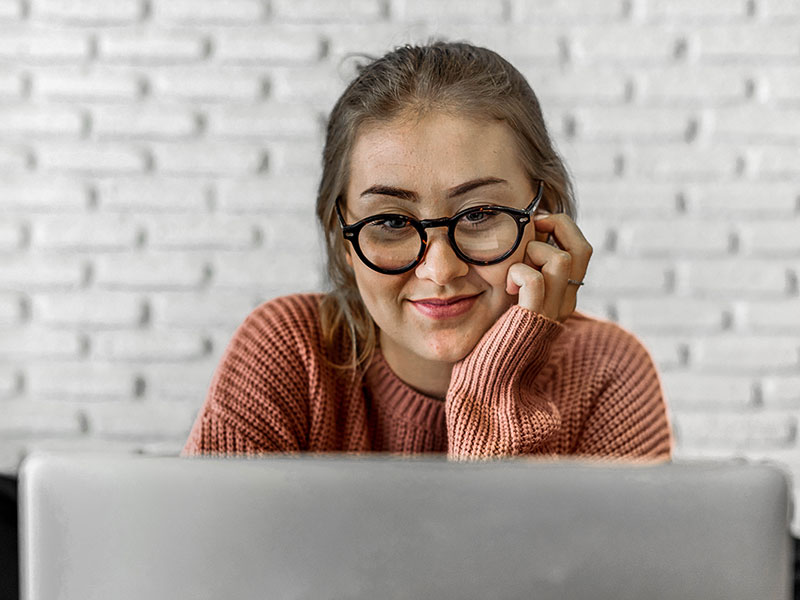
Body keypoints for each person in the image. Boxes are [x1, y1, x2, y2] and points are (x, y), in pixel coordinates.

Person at [183, 41, 673, 461]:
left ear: (544, 217)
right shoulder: (289, 350)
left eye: (479, 215)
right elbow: (204, 566)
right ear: (343, 236)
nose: (440, 269)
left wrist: (497, 386)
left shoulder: (608, 371)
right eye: (392, 222)